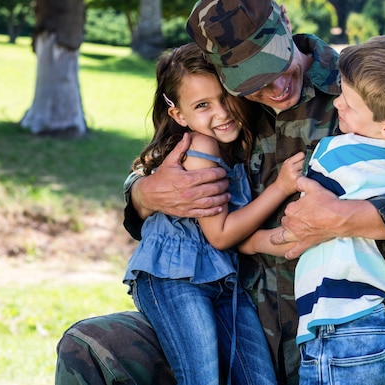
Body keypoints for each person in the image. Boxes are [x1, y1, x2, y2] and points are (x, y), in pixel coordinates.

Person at [55, 0, 385, 385]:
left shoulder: (364, 89)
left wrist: (346, 218)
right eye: (253, 82)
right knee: (90, 347)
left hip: (332, 337)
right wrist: (144, 193)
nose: (276, 87)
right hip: (235, 323)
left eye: (277, 63)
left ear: (283, 19)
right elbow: (163, 154)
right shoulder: (224, 105)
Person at [240, 32, 385, 385]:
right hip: (379, 326)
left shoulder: (336, 154)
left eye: (347, 102)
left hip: (340, 333)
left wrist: (248, 241)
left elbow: (297, 231)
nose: (337, 106)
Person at [123, 42, 304, 385]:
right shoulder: (201, 146)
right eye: (203, 105)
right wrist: (281, 187)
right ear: (179, 115)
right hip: (175, 276)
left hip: (225, 281)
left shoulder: (233, 145)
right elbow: (219, 234)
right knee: (201, 378)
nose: (221, 113)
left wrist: (266, 240)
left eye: (225, 98)